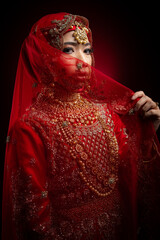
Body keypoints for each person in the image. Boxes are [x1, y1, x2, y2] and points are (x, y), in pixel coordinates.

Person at [2, 12, 160, 240]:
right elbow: (36, 221)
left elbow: (131, 176)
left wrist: (148, 133)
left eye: (87, 50)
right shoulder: (32, 127)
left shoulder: (105, 112)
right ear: (45, 57)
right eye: (68, 50)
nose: (83, 61)